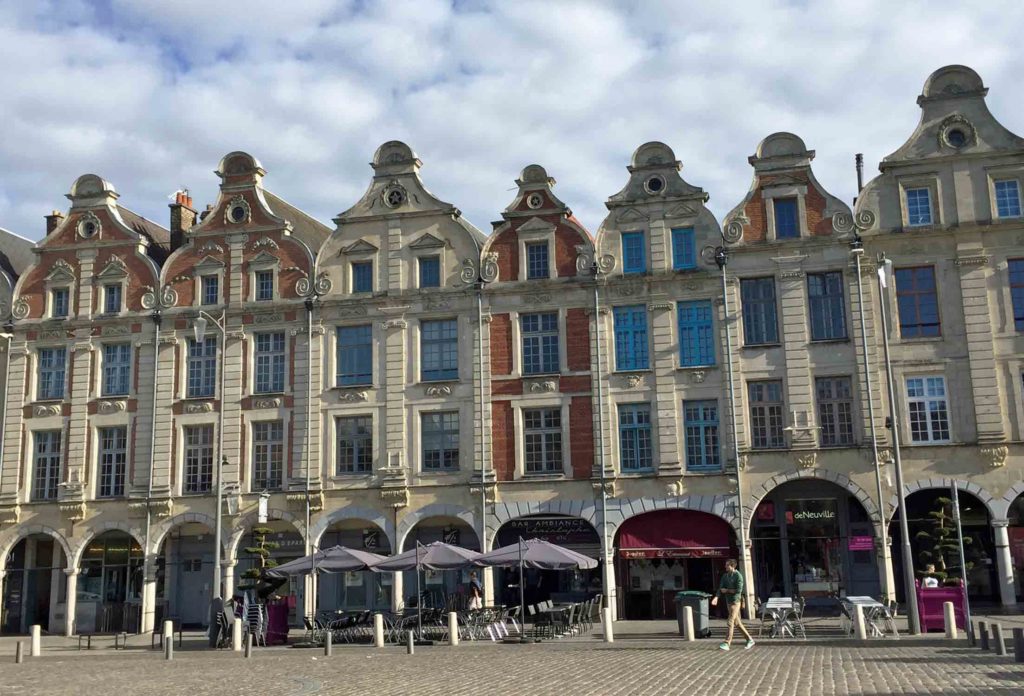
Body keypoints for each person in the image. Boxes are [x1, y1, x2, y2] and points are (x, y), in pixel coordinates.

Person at [713, 559, 754, 651]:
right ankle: (749, 639)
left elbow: (739, 590)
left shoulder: (738, 576)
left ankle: (727, 643)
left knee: (730, 621)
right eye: (726, 565)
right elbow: (720, 588)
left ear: (732, 566)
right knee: (737, 623)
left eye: (727, 565)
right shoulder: (725, 576)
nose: (725, 567)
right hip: (728, 601)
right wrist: (716, 597)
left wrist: (727, 590)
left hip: (736, 601)